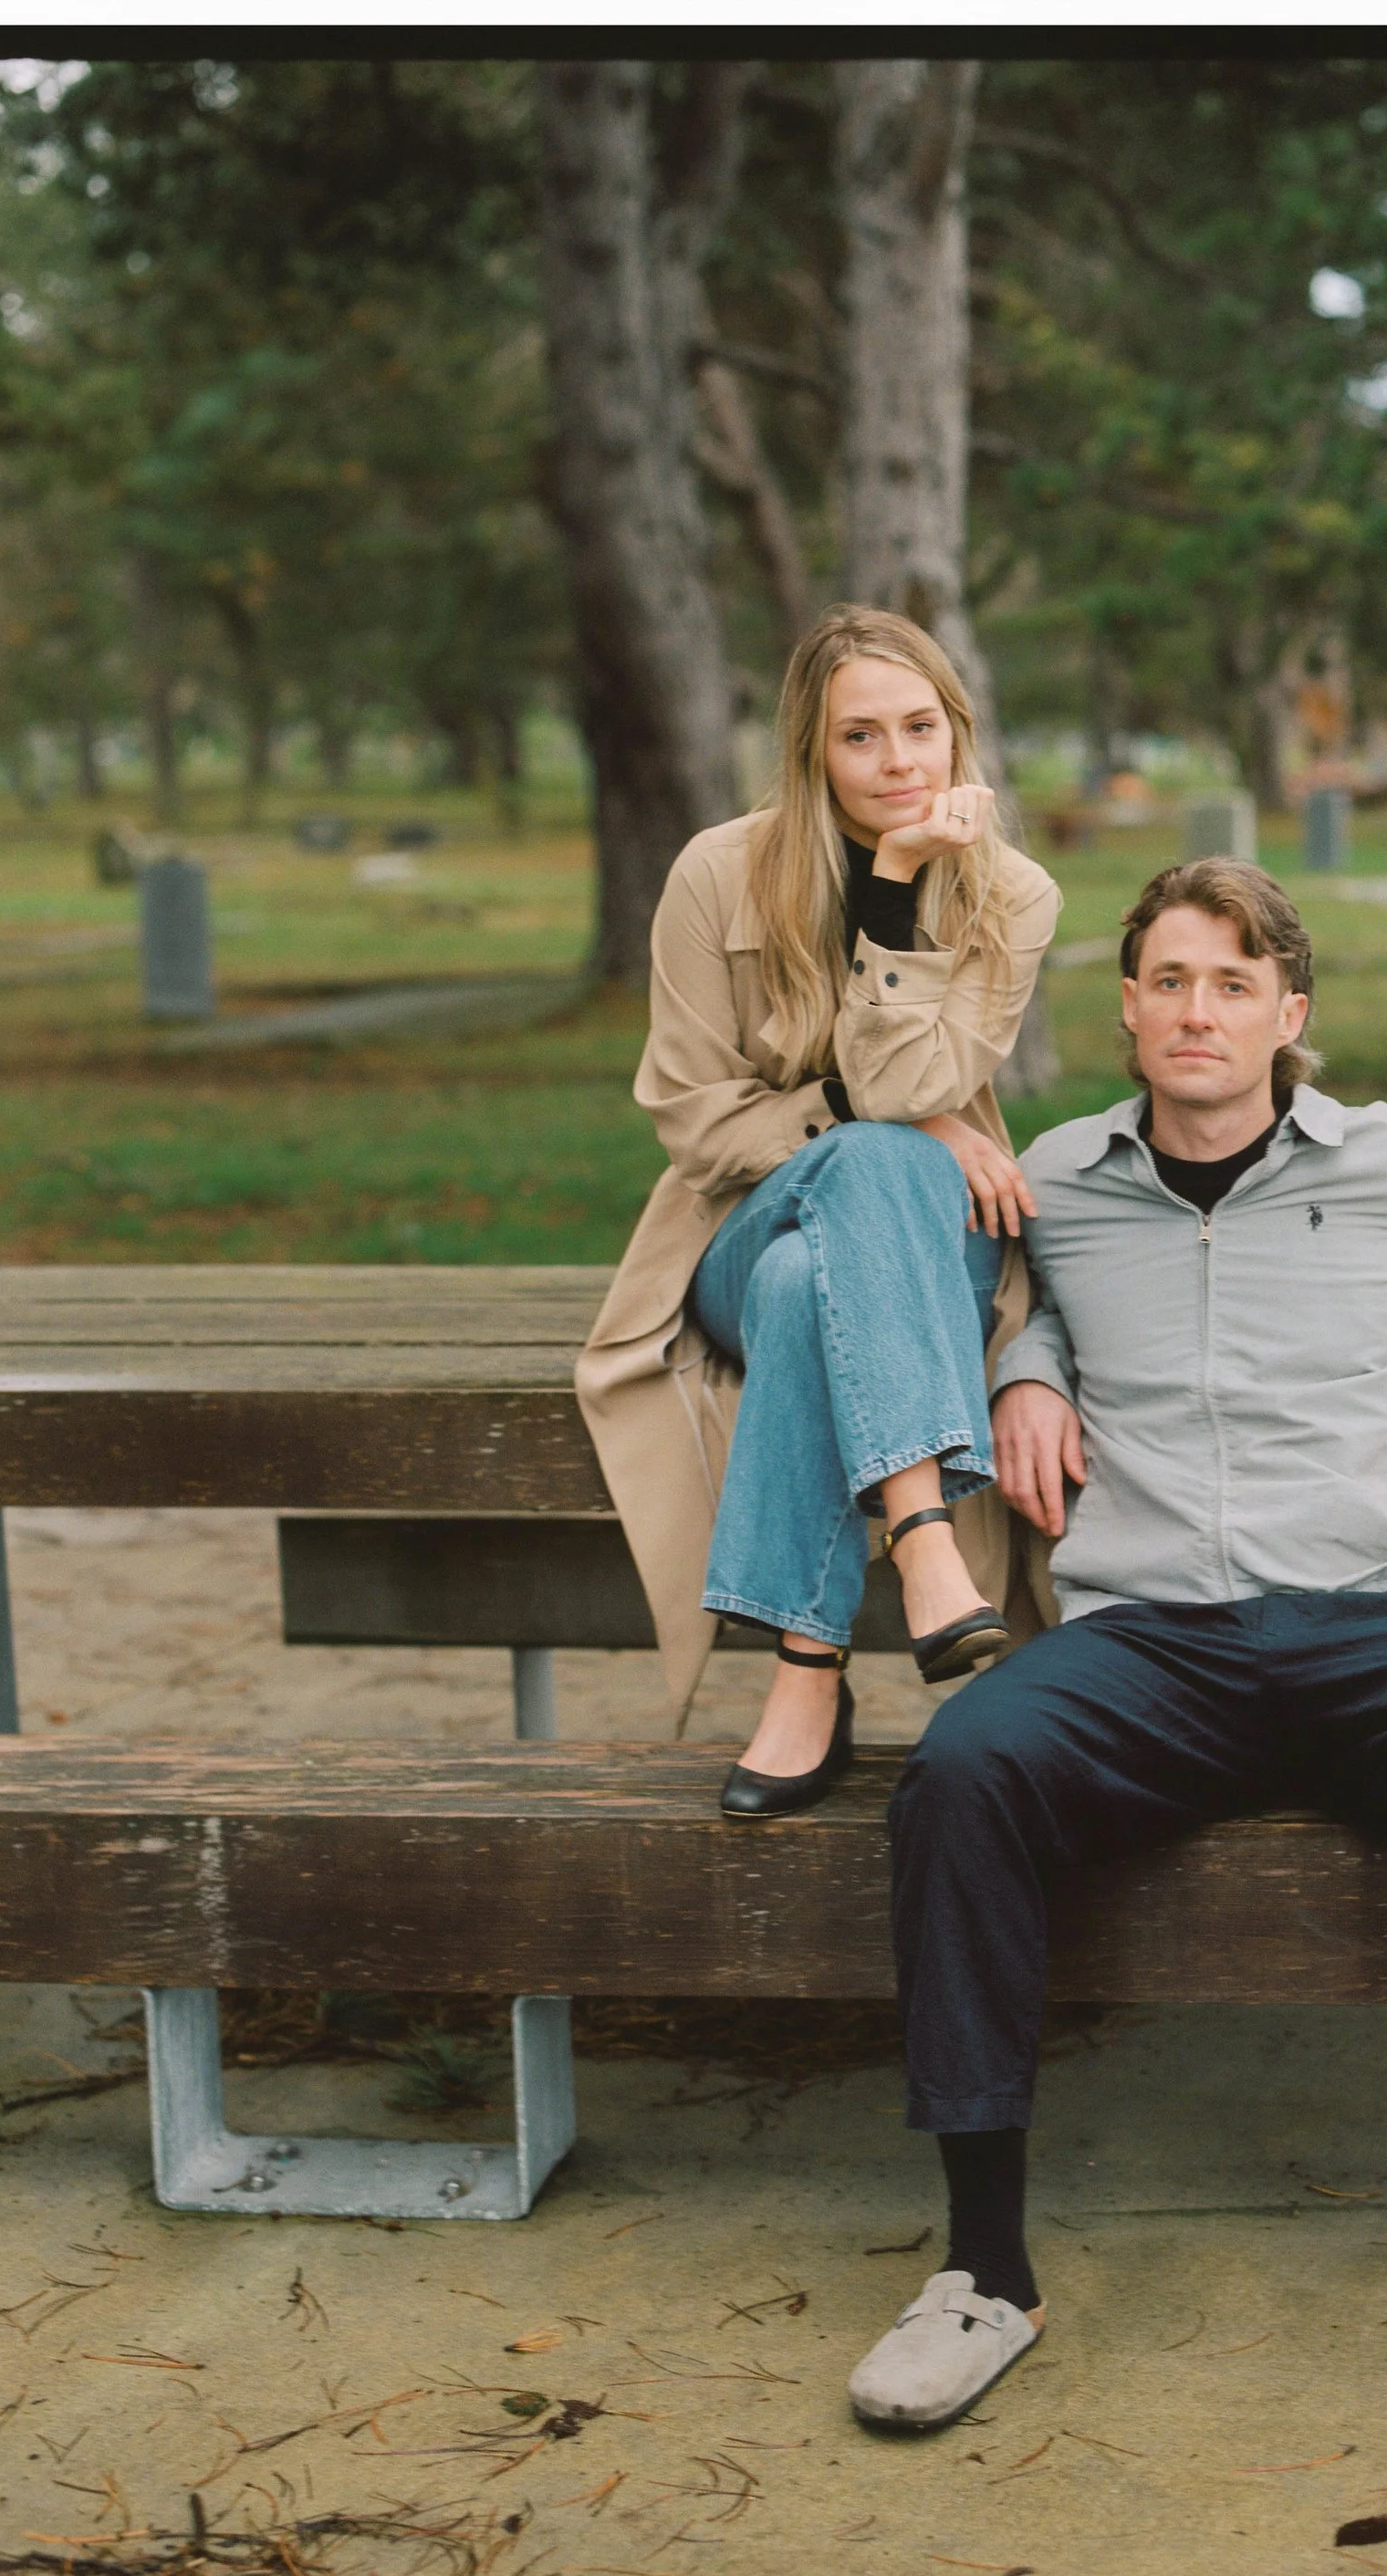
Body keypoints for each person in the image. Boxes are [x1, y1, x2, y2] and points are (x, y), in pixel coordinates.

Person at [845, 856, 1387, 2447]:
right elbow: (1026, 1302)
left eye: (1234, 983)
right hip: (1154, 1643)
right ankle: (985, 2269)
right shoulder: (1061, 1176)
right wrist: (1031, 1368)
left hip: (1380, 1616)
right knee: (964, 1773)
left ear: (1289, 1014)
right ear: (1128, 1007)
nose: (1199, 1011)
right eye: (1170, 981)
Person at [575, 609, 1060, 1814]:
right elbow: (697, 1121)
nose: (902, 760)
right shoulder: (715, 874)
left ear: (959, 728)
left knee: (823, 1271)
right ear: (811, 751)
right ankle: (926, 1542)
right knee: (865, 1175)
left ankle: (807, 1670)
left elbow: (910, 1090)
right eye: (862, 736)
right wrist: (896, 1127)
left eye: (922, 726)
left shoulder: (1012, 893)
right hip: (737, 1230)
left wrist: (896, 888)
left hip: (926, 1252)